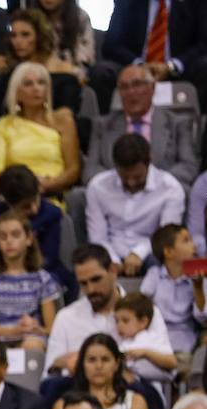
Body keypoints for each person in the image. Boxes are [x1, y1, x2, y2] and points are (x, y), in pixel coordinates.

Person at [45, 244, 171, 377]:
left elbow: (168, 372)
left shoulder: (146, 311)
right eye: (83, 283)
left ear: (113, 270)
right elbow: (49, 377)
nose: (91, 289)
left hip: (137, 387)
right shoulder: (66, 318)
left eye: (96, 279)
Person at [85, 133, 185, 278]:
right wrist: (113, 261)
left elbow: (166, 236)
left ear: (149, 163)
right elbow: (98, 237)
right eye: (124, 177)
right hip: (111, 250)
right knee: (91, 265)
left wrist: (138, 253)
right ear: (115, 166)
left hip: (151, 251)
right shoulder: (98, 186)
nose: (131, 182)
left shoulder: (170, 188)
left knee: (164, 261)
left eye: (137, 177)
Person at [88, 64, 199, 191]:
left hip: (161, 192)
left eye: (137, 85)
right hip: (115, 193)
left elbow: (188, 166)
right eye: (124, 87)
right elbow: (91, 170)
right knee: (78, 195)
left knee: (186, 191)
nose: (131, 92)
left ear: (152, 87)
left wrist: (151, 182)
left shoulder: (177, 123)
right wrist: (124, 181)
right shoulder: (102, 125)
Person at [0, 61, 80, 201]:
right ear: (17, 92)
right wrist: (22, 189)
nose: (36, 89)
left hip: (51, 195)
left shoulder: (63, 121)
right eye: (28, 84)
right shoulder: (4, 125)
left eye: (41, 83)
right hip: (14, 199)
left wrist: (46, 185)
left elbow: (73, 170)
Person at [0, 209, 63, 350]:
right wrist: (13, 331)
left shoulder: (42, 278)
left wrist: (35, 328)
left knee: (32, 345)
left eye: (15, 235)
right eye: (3, 237)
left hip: (29, 338)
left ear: (29, 239)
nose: (9, 241)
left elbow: (51, 329)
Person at [0, 163, 73, 299]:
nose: (34, 209)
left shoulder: (52, 214)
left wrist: (24, 275)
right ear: (8, 204)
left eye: (36, 199)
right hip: (4, 271)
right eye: (26, 206)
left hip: (43, 270)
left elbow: (50, 257)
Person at [101, 0, 207, 114]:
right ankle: (109, 123)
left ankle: (199, 123)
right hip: (133, 69)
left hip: (179, 70)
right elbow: (111, 45)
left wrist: (172, 66)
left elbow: (203, 44)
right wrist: (139, 66)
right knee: (102, 73)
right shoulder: (126, 2)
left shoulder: (195, 3)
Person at [0, 7, 82, 118]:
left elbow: (67, 116)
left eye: (25, 34)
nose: (18, 41)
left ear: (40, 36)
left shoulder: (65, 72)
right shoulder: (10, 75)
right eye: (13, 35)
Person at [141, 223, 207, 355]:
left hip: (185, 341)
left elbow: (202, 319)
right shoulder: (154, 274)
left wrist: (198, 287)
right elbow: (141, 303)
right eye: (186, 240)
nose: (194, 245)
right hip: (155, 338)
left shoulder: (200, 279)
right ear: (168, 252)